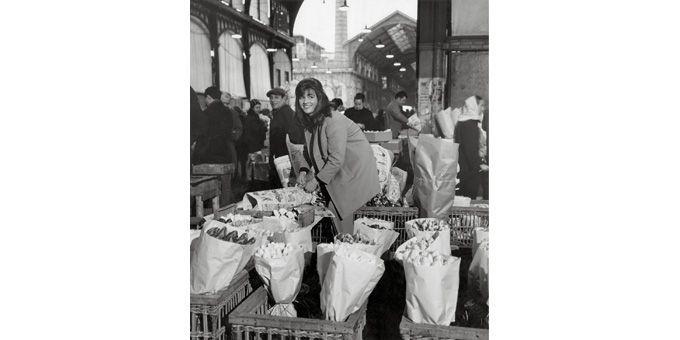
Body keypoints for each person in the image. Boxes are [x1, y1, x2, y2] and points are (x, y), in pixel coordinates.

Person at [294, 78, 380, 234]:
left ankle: (346, 249)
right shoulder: (310, 122)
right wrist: (303, 170)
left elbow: (336, 159)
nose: (305, 101)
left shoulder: (333, 120)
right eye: (301, 97)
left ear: (319, 97)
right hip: (339, 172)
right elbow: (308, 150)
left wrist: (315, 181)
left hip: (354, 173)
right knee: (334, 210)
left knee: (340, 212)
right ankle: (341, 246)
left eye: (310, 96)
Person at [267, 87, 305, 188]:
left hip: (284, 161)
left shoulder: (286, 114)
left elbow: (294, 139)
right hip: (281, 159)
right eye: (271, 98)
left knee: (284, 189)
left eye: (276, 97)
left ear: (284, 99)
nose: (273, 100)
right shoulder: (279, 113)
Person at [454, 95, 488, 199]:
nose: (483, 109)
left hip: (462, 168)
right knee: (468, 199)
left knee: (461, 200)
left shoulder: (462, 121)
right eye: (481, 105)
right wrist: (479, 164)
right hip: (469, 171)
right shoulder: (470, 125)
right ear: (473, 106)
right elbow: (470, 150)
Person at [194, 86, 237, 164]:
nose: (205, 101)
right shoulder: (228, 112)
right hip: (225, 153)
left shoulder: (206, 113)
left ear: (208, 97)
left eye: (205, 99)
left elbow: (202, 134)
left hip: (208, 155)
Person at [236, 99, 268, 180]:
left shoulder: (253, 116)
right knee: (254, 165)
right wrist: (264, 125)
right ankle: (254, 180)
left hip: (252, 145)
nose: (259, 109)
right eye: (257, 107)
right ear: (252, 108)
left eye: (259, 107)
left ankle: (252, 179)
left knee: (253, 164)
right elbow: (256, 130)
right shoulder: (252, 118)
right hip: (253, 146)